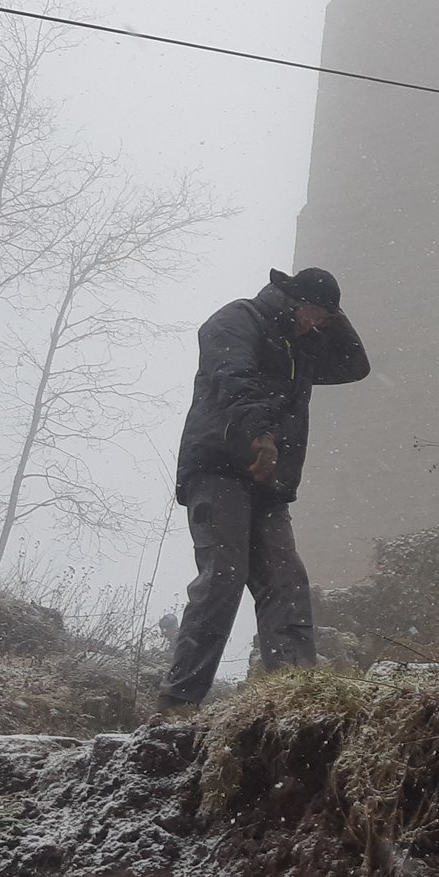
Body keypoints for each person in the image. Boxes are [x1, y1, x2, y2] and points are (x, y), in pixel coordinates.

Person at [163, 267, 369, 709]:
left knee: (285, 580)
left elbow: (355, 365)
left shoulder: (303, 344)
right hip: (220, 465)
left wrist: (333, 315)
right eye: (310, 311)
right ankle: (179, 703)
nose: (313, 323)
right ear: (289, 298)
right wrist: (261, 434)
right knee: (223, 577)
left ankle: (293, 698)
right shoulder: (238, 319)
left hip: (268, 479)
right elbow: (234, 379)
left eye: (322, 317)